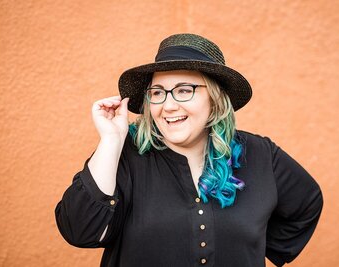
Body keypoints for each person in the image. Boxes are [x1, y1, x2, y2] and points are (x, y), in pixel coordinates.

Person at [55, 33, 323, 267]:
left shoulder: (261, 155)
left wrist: (252, 250)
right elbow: (80, 231)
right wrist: (111, 141)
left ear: (215, 100)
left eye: (184, 90)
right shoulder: (125, 154)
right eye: (158, 92)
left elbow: (307, 203)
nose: (168, 105)